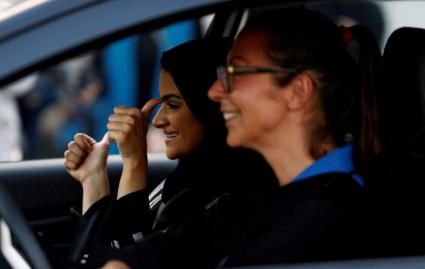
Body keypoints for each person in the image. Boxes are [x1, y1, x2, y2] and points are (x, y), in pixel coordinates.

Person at [101, 7, 381, 269]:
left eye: (237, 72)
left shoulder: (325, 219)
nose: (214, 92)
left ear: (297, 91)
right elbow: (164, 247)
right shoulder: (256, 198)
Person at [63, 37, 276, 266]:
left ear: (209, 108)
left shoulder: (230, 201)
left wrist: (134, 162)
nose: (158, 119)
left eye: (173, 104)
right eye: (161, 103)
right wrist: (93, 180)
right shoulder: (188, 180)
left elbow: (125, 258)